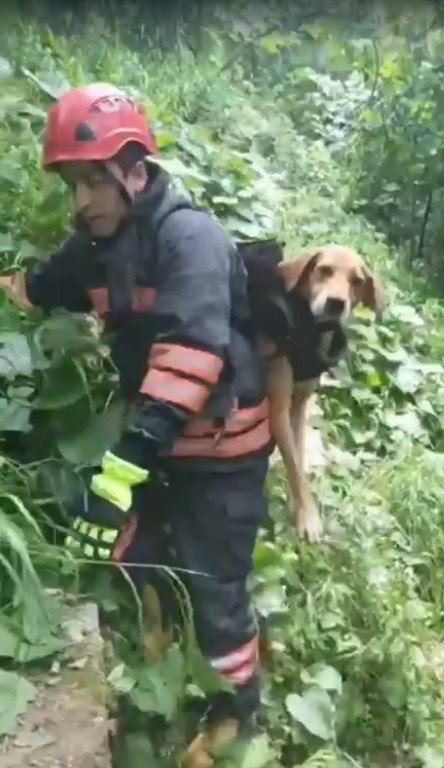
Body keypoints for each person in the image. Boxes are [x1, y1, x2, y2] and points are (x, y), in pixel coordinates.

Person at [0, 83, 273, 766]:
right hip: (155, 445)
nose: (81, 200)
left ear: (135, 171)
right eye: (71, 184)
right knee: (132, 543)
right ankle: (156, 633)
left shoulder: (192, 240)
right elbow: (37, 287)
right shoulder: (97, 245)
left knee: (216, 587)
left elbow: (191, 359)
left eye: (93, 181)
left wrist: (118, 473)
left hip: (220, 447)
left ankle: (237, 711)